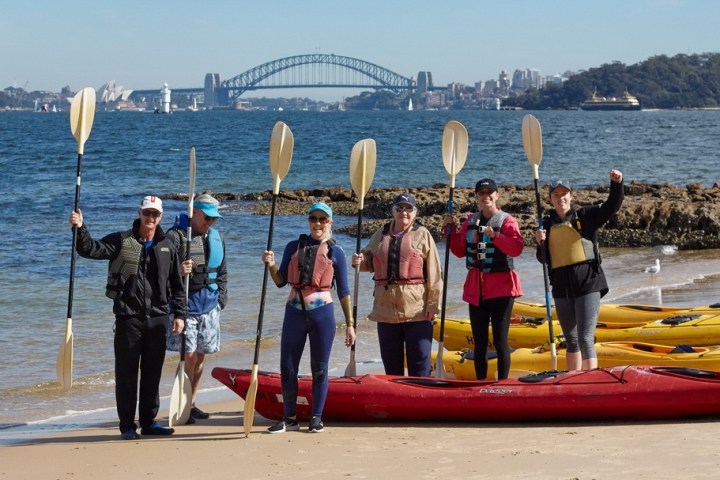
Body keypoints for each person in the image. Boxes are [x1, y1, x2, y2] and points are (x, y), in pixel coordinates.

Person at [69, 196, 186, 440]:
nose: (150, 218)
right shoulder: (122, 241)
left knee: (152, 373)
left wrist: (180, 314)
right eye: (147, 213)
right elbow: (90, 249)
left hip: (158, 318)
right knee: (126, 374)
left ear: (161, 216)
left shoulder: (167, 245)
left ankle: (149, 422)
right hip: (128, 318)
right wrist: (81, 228)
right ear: (140, 213)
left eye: (155, 214)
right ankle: (127, 426)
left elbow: (177, 283)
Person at [261, 202, 355, 434]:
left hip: (322, 315)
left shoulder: (336, 252)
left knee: (319, 368)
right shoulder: (293, 246)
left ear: (330, 222)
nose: (317, 224)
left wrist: (350, 325)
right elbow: (281, 281)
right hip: (294, 312)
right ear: (308, 221)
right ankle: (289, 417)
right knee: (288, 366)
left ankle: (316, 417)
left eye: (323, 219)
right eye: (313, 219)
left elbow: (343, 291)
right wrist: (271, 265)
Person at [534, 170, 624, 371]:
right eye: (556, 195)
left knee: (585, 338)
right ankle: (571, 381)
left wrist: (617, 184)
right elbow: (543, 259)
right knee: (571, 340)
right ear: (550, 199)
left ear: (570, 196)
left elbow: (612, 206)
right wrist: (539, 242)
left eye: (564, 194)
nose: (561, 198)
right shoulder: (546, 226)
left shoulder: (585, 216)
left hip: (588, 284)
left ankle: (590, 381)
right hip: (561, 289)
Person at [351, 193, 443, 377]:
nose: (404, 213)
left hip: (417, 311)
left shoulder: (422, 234)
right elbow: (370, 262)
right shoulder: (381, 233)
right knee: (392, 368)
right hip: (385, 311)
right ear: (393, 211)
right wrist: (358, 262)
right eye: (399, 209)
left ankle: (420, 398)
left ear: (415, 212)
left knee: (419, 366)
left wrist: (433, 305)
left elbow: (435, 273)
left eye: (408, 209)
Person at [442, 179, 524, 380]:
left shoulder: (507, 221)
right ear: (477, 197)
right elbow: (459, 251)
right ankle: (481, 383)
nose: (486, 196)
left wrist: (495, 236)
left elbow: (517, 248)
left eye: (490, 193)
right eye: (482, 193)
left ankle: (502, 384)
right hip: (476, 290)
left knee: (499, 341)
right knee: (478, 342)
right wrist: (449, 230)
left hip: (502, 289)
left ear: (496, 196)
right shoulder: (471, 221)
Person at [166, 193, 227, 423]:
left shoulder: (216, 237)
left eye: (213, 219)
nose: (210, 223)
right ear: (194, 213)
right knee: (188, 357)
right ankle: (180, 403)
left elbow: (222, 272)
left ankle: (191, 404)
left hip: (210, 305)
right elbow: (160, 271)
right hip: (185, 307)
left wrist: (222, 299)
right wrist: (179, 272)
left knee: (200, 357)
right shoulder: (175, 236)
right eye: (206, 218)